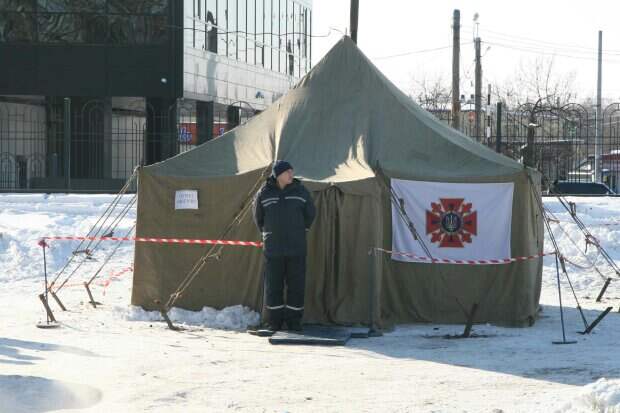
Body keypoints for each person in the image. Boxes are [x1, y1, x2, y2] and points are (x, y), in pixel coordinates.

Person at [253, 160, 316, 331]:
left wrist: (300, 231)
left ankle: (294, 322)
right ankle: (275, 322)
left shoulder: (301, 191)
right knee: (274, 286)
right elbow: (258, 217)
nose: (291, 174)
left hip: (296, 248)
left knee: (296, 286)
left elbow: (310, 214)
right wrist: (268, 234)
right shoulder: (264, 193)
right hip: (273, 249)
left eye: (291, 171)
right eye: (287, 172)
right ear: (278, 174)